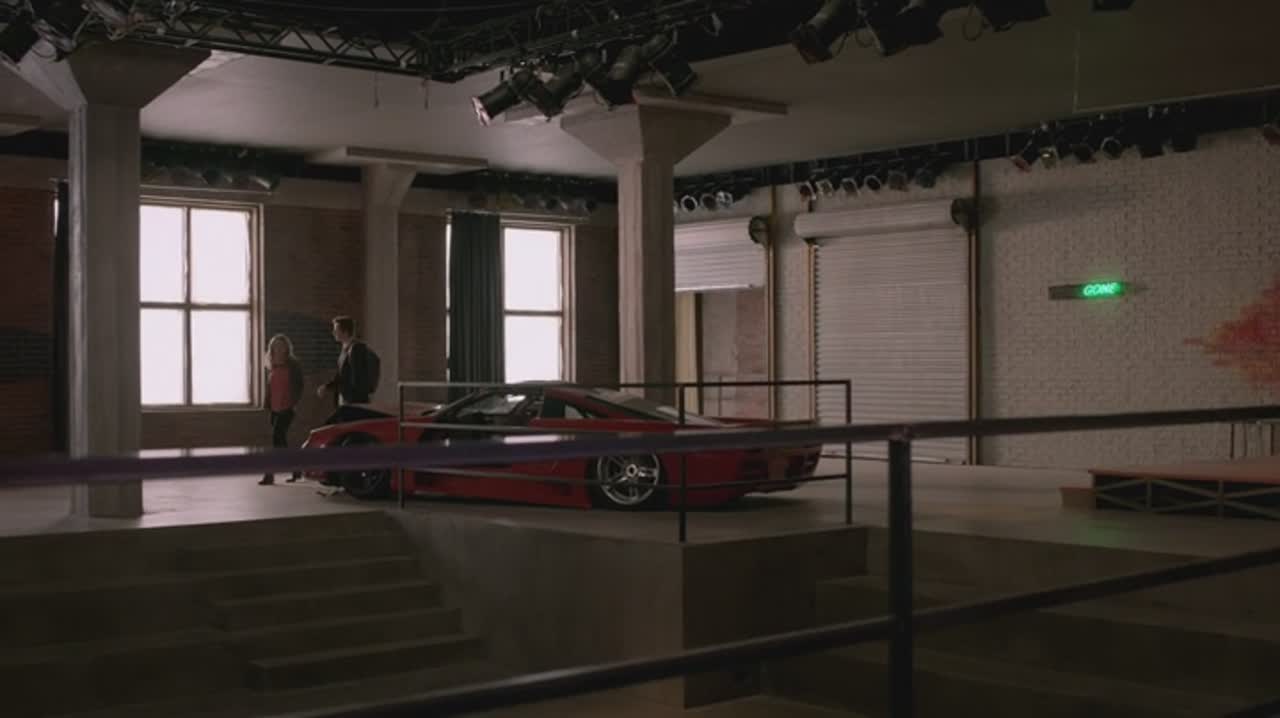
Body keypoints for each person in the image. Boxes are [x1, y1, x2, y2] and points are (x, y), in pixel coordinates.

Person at [260, 334, 304, 486]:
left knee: (276, 439)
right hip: (274, 408)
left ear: (286, 348)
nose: (278, 348)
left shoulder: (293, 365)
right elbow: (270, 387)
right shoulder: (272, 364)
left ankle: (269, 474)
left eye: (281, 345)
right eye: (275, 346)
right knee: (281, 442)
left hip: (287, 408)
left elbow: (299, 386)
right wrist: (267, 404)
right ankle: (296, 469)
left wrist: (293, 402)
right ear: (272, 348)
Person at [317, 315, 374, 424]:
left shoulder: (356, 349)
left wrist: (351, 400)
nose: (333, 333)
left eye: (336, 329)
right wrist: (327, 387)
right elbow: (341, 375)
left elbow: (356, 378)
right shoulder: (345, 349)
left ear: (345, 332)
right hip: (345, 401)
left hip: (353, 403)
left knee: (330, 427)